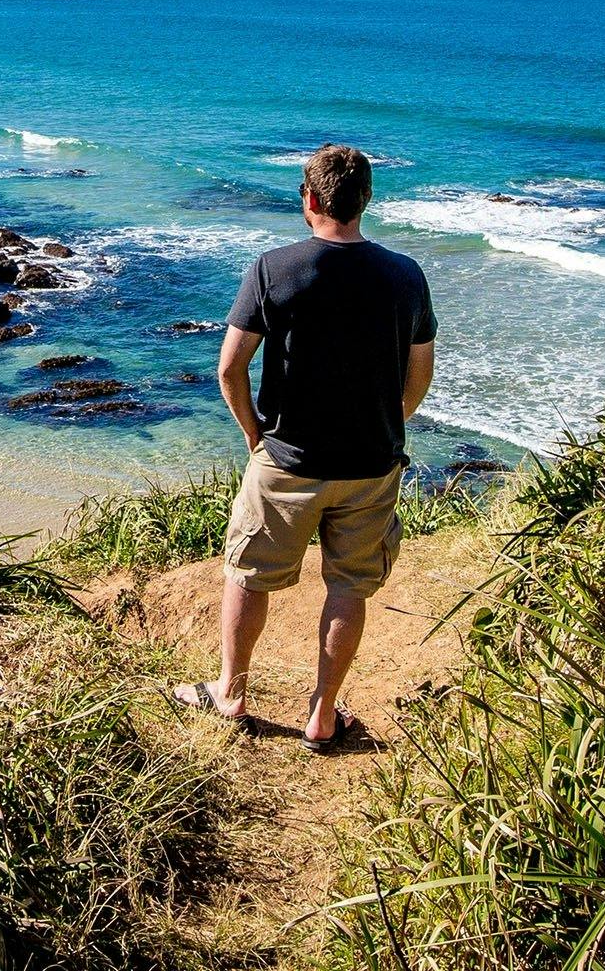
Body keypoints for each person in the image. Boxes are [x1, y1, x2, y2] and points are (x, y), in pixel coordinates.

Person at [172, 143, 437, 755]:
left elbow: (229, 369)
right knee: (349, 587)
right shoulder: (405, 275)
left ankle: (231, 694)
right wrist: (391, 421)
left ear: (310, 200)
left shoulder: (274, 268)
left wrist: (252, 433)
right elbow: (419, 371)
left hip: (288, 460)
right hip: (372, 465)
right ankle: (322, 716)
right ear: (365, 200)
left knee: (248, 575)